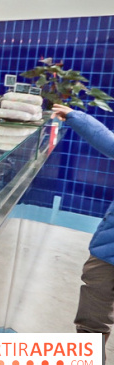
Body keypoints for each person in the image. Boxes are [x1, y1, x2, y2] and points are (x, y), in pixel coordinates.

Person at [51, 104, 114, 341]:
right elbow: (107, 140)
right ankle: (90, 349)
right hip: (109, 247)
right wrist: (75, 116)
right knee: (95, 295)